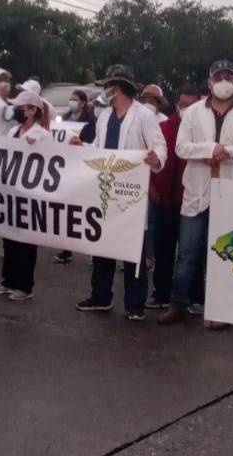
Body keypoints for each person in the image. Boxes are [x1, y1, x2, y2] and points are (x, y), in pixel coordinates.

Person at [159, 60, 233, 327]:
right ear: (209, 82)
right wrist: (210, 149)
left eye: (229, 76)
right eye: (218, 76)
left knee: (227, 255)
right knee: (187, 253)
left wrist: (226, 152)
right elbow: (182, 148)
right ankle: (179, 304)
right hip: (197, 192)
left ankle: (222, 310)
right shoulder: (193, 112)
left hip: (231, 194)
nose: (224, 80)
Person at [74, 64, 167, 321]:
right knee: (103, 244)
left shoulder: (143, 116)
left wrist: (153, 158)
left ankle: (135, 303)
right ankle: (101, 296)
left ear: (117, 88)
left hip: (132, 192)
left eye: (108, 87)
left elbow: (160, 147)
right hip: (107, 188)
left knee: (132, 249)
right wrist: (81, 147)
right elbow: (99, 147)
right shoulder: (104, 117)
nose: (105, 92)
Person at [0, 90, 52, 301]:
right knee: (9, 239)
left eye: (21, 107)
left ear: (33, 110)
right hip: (10, 193)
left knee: (25, 242)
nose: (17, 111)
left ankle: (25, 286)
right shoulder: (14, 130)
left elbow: (51, 161)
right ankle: (8, 280)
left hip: (29, 195)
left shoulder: (42, 134)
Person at [146, 85, 201, 310]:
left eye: (190, 104)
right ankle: (161, 294)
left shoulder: (204, 131)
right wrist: (152, 188)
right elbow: (150, 156)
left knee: (192, 252)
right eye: (182, 104)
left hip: (193, 198)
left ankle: (195, 298)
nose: (184, 108)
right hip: (164, 198)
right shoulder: (164, 127)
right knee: (163, 249)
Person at [54, 90, 98, 264]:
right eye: (71, 99)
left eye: (76, 100)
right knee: (67, 209)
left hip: (82, 167)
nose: (72, 102)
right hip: (66, 167)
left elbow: (92, 143)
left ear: (83, 103)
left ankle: (95, 250)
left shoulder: (90, 122)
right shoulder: (64, 118)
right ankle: (67, 249)